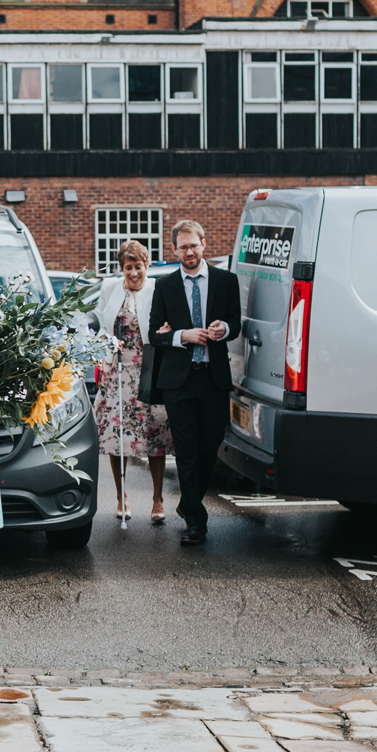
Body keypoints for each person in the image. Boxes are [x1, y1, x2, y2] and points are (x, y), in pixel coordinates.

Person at [146, 219, 241, 546]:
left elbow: (236, 324)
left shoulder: (227, 281)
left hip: (213, 378)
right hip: (179, 382)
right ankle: (196, 523)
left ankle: (188, 502)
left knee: (210, 443)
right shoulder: (165, 286)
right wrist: (182, 335)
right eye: (183, 247)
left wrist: (222, 330)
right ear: (174, 249)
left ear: (204, 244)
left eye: (194, 245)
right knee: (186, 449)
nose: (189, 251)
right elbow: (154, 335)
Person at [92, 240, 173, 525]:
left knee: (155, 435)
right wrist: (106, 345)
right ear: (122, 268)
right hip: (117, 371)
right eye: (128, 267)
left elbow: (167, 323)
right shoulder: (110, 288)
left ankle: (158, 499)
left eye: (138, 266)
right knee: (117, 437)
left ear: (146, 266)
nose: (134, 272)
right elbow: (102, 325)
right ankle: (121, 496)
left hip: (148, 368)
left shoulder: (157, 288)